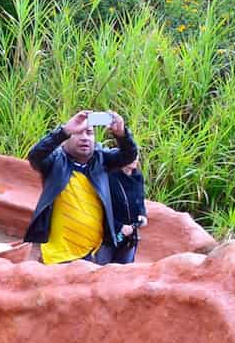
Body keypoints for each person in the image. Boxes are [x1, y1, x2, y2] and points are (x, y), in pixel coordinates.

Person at [23, 110, 138, 265]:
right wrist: (63, 131)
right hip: (58, 255)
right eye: (78, 133)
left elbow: (129, 155)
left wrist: (122, 134)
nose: (85, 138)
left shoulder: (101, 159)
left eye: (89, 133)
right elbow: (35, 156)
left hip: (94, 252)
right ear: (66, 139)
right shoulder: (55, 161)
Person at [107, 157, 148, 264]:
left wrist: (142, 214)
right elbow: (102, 209)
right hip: (109, 235)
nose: (135, 159)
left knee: (125, 271)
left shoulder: (138, 176)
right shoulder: (110, 177)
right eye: (131, 155)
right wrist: (119, 227)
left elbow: (141, 199)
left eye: (137, 155)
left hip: (130, 236)